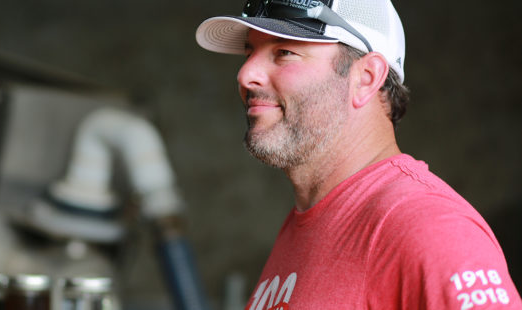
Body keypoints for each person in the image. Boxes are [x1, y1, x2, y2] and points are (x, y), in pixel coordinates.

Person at [195, 0, 522, 309]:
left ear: (365, 79)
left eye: (284, 52)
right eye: (250, 50)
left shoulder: (429, 227)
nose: (245, 73)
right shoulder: (311, 220)